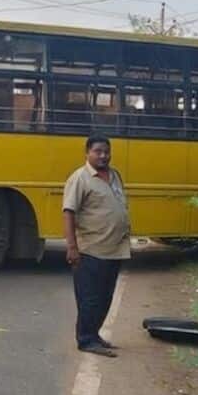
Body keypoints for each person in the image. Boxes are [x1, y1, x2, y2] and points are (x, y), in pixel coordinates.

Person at [63, 135, 131, 357]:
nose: (103, 156)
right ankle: (85, 340)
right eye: (98, 151)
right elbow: (69, 213)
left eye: (107, 152)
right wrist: (72, 247)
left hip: (115, 249)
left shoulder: (115, 175)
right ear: (87, 153)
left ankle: (95, 334)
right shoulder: (80, 178)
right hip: (90, 249)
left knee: (105, 297)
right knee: (89, 299)